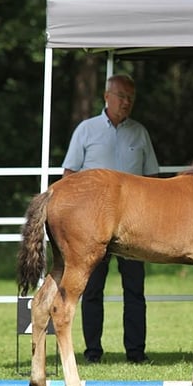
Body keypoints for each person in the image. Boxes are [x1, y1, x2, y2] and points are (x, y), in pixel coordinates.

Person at [62, 73, 160, 364]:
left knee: (135, 289)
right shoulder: (86, 130)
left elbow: (153, 179)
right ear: (107, 97)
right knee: (91, 289)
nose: (126, 103)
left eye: (131, 98)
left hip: (135, 225)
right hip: (93, 224)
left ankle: (136, 352)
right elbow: (69, 177)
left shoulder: (140, 133)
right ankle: (93, 352)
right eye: (121, 97)